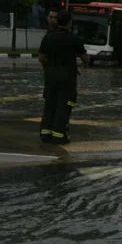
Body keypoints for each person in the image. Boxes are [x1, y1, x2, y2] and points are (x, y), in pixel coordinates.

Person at [38, 9, 89, 144]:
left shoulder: (48, 37)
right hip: (67, 78)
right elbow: (85, 59)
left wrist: (48, 67)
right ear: (69, 23)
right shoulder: (74, 39)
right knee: (64, 105)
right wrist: (83, 65)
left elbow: (42, 57)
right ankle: (59, 136)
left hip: (50, 77)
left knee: (50, 104)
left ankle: (45, 133)